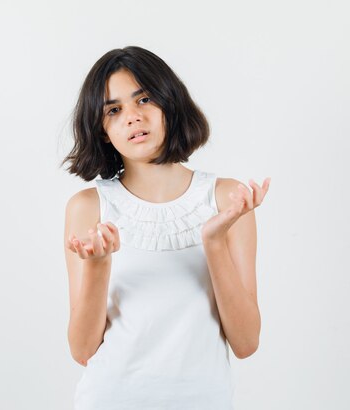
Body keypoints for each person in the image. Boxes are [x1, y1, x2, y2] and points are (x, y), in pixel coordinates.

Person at [60, 46, 271, 409]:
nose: (132, 117)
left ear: (170, 104)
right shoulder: (88, 207)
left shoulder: (228, 199)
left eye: (144, 99)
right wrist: (97, 266)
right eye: (114, 109)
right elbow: (82, 351)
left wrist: (214, 241)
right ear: (104, 131)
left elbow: (246, 342)